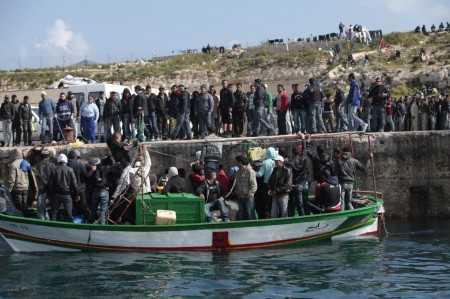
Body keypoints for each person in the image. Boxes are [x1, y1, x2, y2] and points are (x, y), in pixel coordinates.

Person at [47, 154, 78, 221]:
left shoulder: (54, 169)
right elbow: (74, 184)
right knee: (69, 213)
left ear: (58, 161)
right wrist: (76, 194)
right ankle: (69, 227)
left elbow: (50, 184)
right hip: (67, 194)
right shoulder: (70, 170)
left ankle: (52, 226)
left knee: (54, 213)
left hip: (56, 194)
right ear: (66, 161)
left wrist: (50, 194)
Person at [337, 146, 366, 210]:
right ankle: (352, 213)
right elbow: (363, 168)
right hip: (351, 183)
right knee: (349, 202)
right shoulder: (354, 161)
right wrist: (369, 159)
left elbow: (335, 171)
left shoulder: (339, 161)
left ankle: (342, 215)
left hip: (342, 183)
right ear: (350, 152)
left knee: (342, 201)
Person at [67, 150, 92, 222]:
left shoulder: (67, 164)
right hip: (81, 189)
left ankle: (76, 220)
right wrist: (92, 170)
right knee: (83, 205)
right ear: (77, 156)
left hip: (71, 189)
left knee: (74, 205)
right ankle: (89, 220)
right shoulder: (81, 164)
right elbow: (87, 176)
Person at [230, 156, 257, 220]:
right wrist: (236, 192)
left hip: (248, 198)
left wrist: (249, 194)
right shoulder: (238, 172)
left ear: (241, 162)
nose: (236, 164)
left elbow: (254, 186)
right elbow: (236, 184)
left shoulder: (250, 171)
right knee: (241, 215)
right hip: (240, 197)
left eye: (237, 162)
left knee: (250, 215)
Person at [255, 147, 277, 219]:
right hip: (275, 185)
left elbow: (260, 174)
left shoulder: (265, 162)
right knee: (273, 202)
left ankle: (266, 217)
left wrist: (252, 172)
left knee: (266, 203)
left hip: (266, 185)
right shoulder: (275, 162)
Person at [86, 157, 109, 224]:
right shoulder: (106, 169)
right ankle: (102, 226)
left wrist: (92, 170)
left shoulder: (93, 171)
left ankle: (91, 224)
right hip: (104, 191)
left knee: (93, 209)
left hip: (95, 191)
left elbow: (87, 177)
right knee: (103, 211)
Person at [290, 143, 311, 216]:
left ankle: (302, 215)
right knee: (305, 201)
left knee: (299, 203)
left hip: (298, 184)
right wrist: (304, 141)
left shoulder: (292, 161)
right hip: (304, 182)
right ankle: (307, 215)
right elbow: (305, 151)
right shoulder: (304, 158)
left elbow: (291, 173)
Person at [35, 148, 56, 220]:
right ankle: (51, 219)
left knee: (41, 205)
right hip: (51, 187)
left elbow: (37, 177)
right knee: (52, 205)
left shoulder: (38, 165)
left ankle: (42, 219)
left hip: (42, 188)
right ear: (48, 155)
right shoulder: (52, 165)